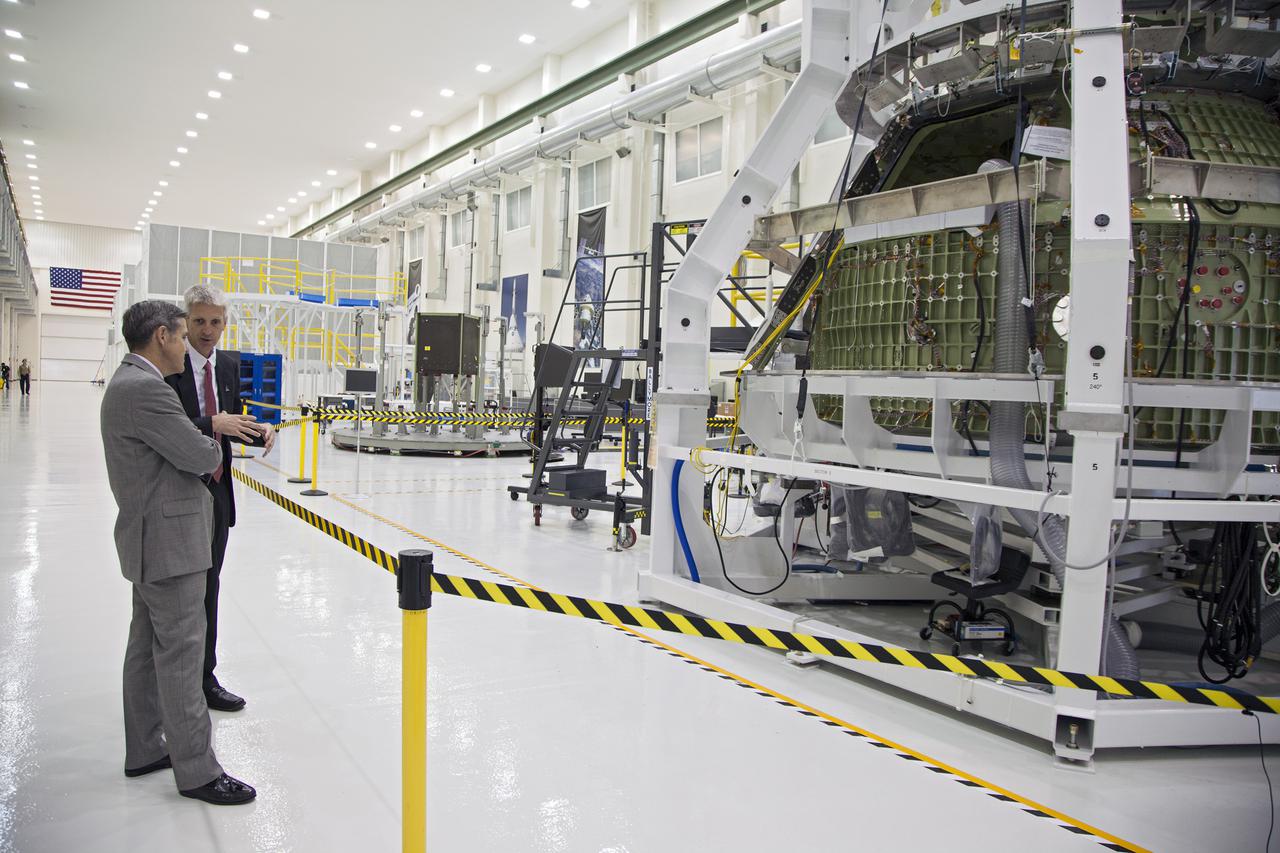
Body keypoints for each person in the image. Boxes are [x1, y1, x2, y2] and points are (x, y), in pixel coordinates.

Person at [100, 299, 256, 806]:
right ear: (163, 336)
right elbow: (202, 455)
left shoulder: (128, 383)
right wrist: (211, 438)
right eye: (182, 330)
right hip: (171, 544)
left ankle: (146, 747)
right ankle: (198, 772)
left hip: (151, 540)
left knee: (146, 647)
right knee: (183, 656)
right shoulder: (147, 390)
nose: (190, 337)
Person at [166, 284, 274, 713]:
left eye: (215, 322)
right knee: (182, 596)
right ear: (185, 323)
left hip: (218, 493)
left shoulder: (227, 367)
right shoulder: (170, 366)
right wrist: (213, 421)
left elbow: (230, 423)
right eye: (199, 322)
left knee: (210, 588)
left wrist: (258, 429)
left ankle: (204, 678)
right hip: (182, 492)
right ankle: (177, 681)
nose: (207, 331)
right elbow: (170, 425)